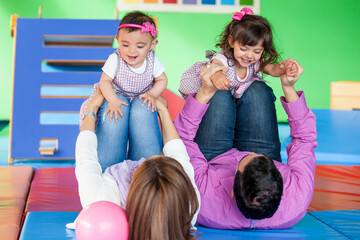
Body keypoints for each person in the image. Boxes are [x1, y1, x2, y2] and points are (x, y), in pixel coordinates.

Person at [174, 60, 318, 229]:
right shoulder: (297, 197)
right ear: (283, 189)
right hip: (249, 153)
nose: (252, 154)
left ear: (233, 191)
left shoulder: (204, 199)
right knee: (258, 91)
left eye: (249, 159)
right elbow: (304, 139)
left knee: (218, 95)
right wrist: (289, 88)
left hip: (213, 161)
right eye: (263, 160)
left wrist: (204, 93)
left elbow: (181, 140)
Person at [67, 87, 200, 240]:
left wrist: (92, 109)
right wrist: (163, 110)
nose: (140, 162)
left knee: (117, 102)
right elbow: (178, 153)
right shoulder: (187, 205)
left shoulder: (103, 200)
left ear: (133, 180)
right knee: (143, 106)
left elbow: (86, 155)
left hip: (109, 177)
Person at [80, 11, 168, 171]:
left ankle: (141, 170)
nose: (131, 51)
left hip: (140, 99)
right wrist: (113, 100)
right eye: (125, 45)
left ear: (152, 45)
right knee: (118, 110)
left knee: (143, 106)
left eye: (140, 46)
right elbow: (105, 82)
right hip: (117, 97)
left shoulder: (152, 60)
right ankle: (109, 170)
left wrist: (153, 94)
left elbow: (162, 80)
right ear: (118, 40)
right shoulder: (115, 59)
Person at [179, 7, 297, 100]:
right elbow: (215, 66)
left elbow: (272, 69)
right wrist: (218, 76)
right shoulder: (225, 58)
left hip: (237, 101)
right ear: (231, 41)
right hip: (215, 98)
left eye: (257, 51)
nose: (249, 55)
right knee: (220, 97)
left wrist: (284, 69)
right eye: (244, 49)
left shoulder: (255, 63)